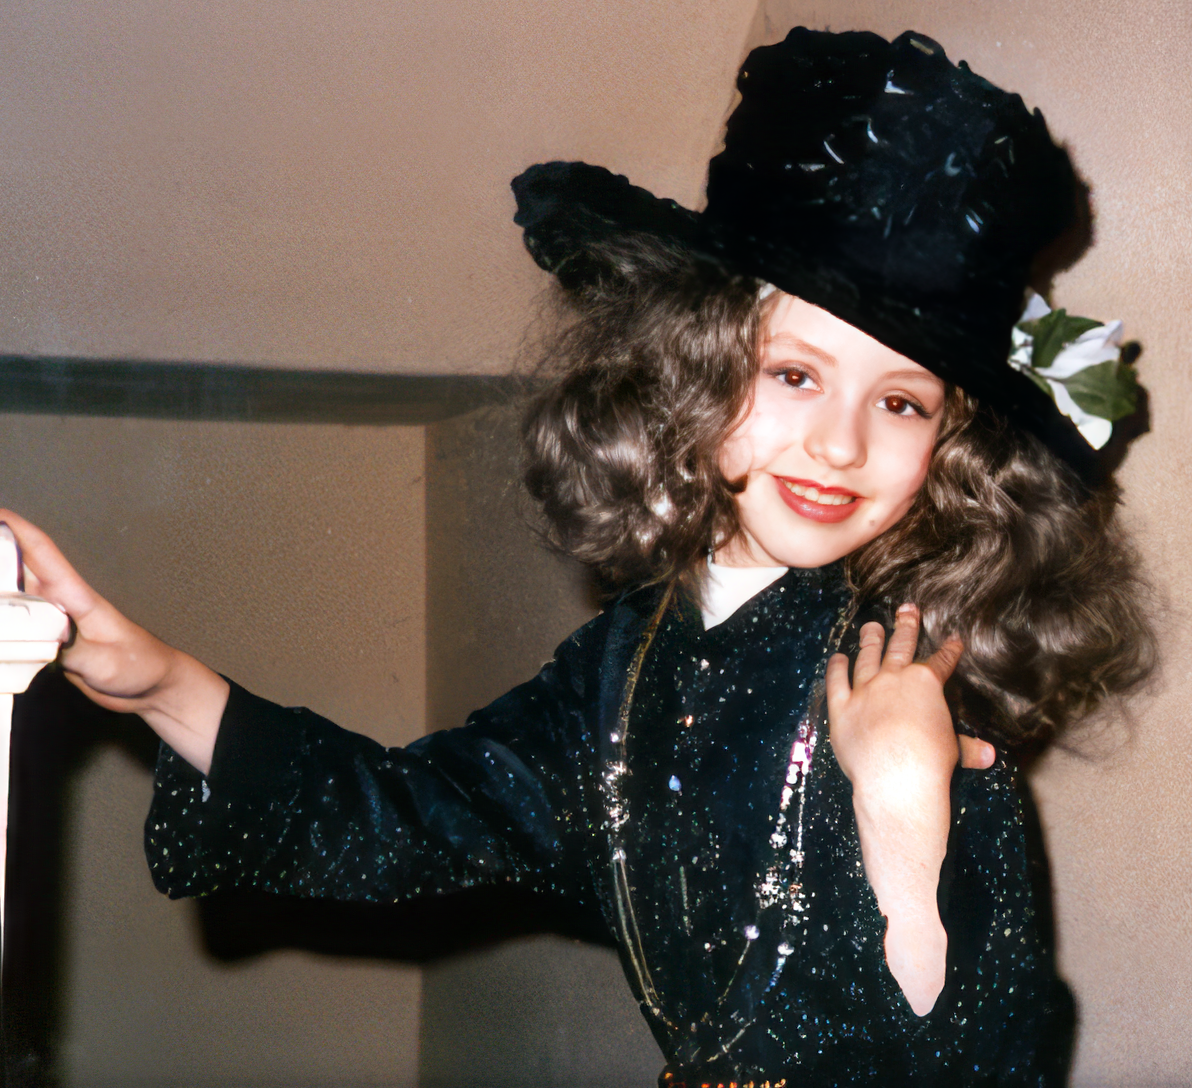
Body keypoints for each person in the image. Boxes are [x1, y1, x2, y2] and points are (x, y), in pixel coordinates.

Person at [5, 27, 1154, 1088]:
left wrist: (907, 808)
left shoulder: (917, 682)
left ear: (949, 447)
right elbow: (407, 818)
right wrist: (158, 679)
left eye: (900, 400)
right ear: (687, 364)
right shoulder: (623, 658)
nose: (842, 442)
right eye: (795, 373)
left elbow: (985, 1058)